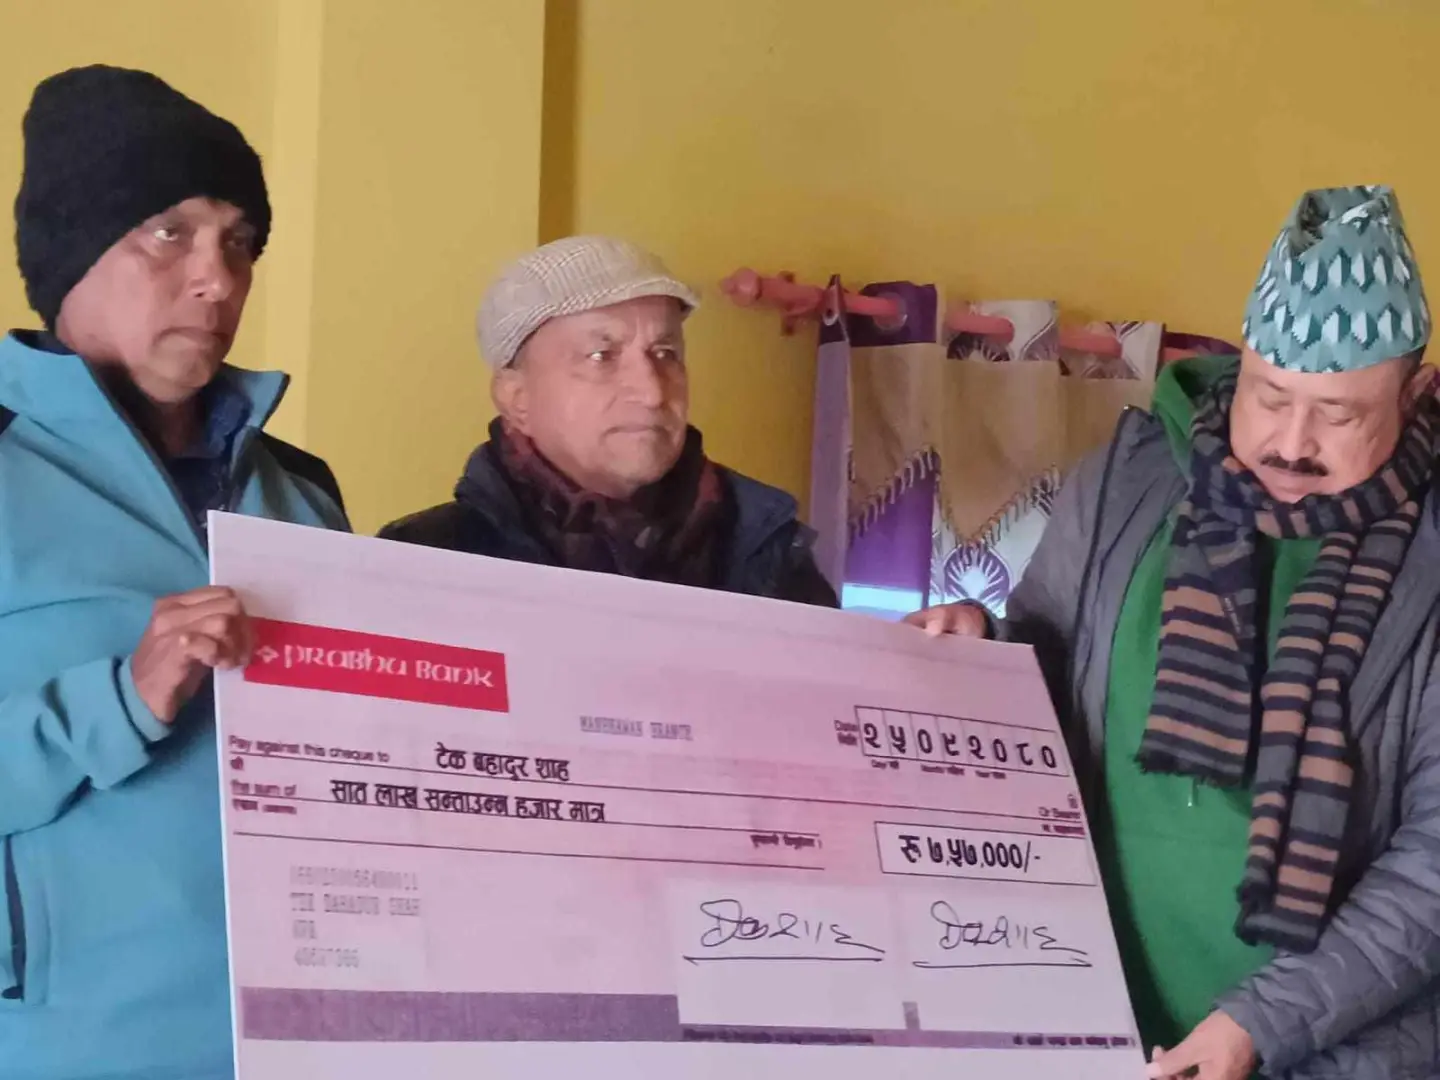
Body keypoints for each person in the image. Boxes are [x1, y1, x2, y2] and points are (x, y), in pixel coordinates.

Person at [913, 186, 1440, 1080]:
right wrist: (981, 645)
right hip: (1095, 1025)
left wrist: (1259, 1025)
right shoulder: (1128, 480)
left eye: (1339, 414)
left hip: (1331, 1050)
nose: (1291, 442)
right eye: (1270, 395)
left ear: (1416, 393)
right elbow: (1044, 671)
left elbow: (1432, 869)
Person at [0, 66, 348, 1080]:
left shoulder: (302, 491)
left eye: (241, 242)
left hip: (306, 1044)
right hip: (69, 1050)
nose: (218, 279)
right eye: (170, 232)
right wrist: (118, 701)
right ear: (72, 254)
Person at [381, 235, 837, 606]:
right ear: (517, 398)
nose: (653, 392)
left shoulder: (769, 551)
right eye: (602, 356)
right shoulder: (420, 566)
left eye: (666, 353)